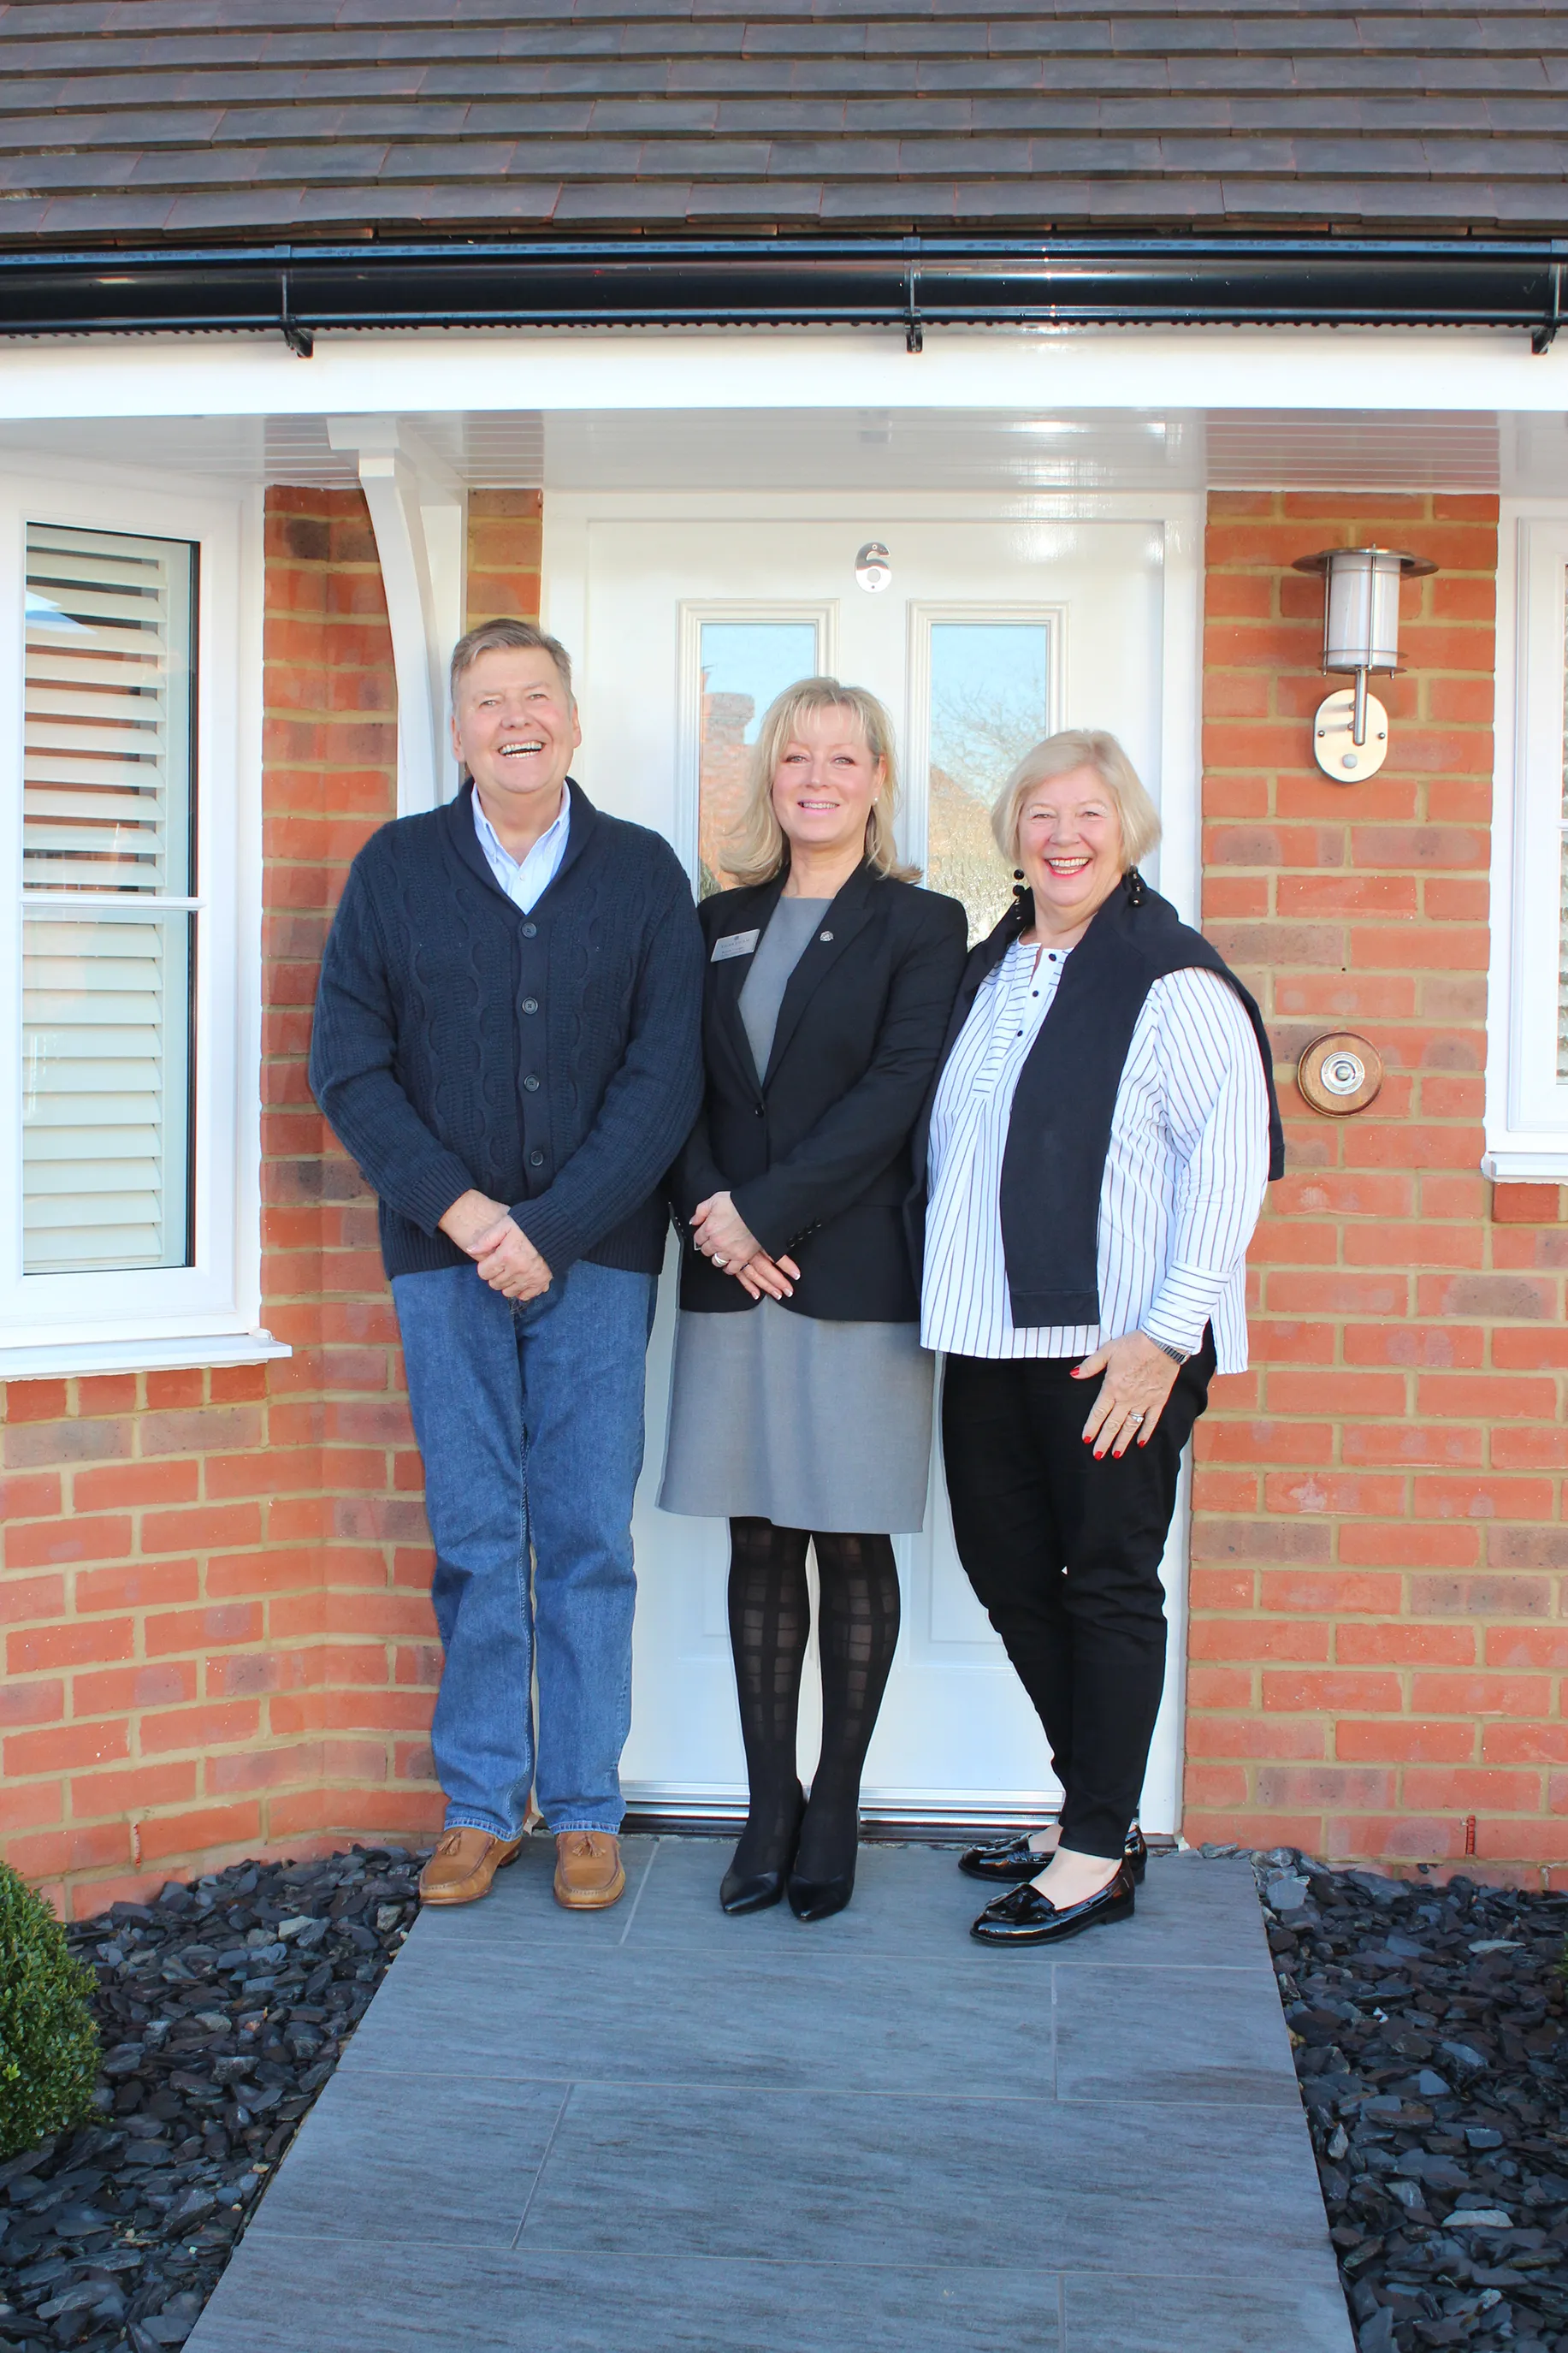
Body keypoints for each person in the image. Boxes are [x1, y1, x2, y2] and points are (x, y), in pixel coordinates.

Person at [310, 618, 703, 1913]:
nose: (516, 721)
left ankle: (585, 1805)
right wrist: (469, 1214)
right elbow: (348, 1066)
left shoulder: (644, 874)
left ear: (574, 720)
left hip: (599, 1267)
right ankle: (481, 1803)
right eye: (490, 702)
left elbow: (665, 1077)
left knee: (587, 1531)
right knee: (479, 1537)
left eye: (537, 697)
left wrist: (557, 1226)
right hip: (441, 1262)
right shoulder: (396, 868)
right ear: (462, 726)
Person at [914, 728, 1281, 1948]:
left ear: (1125, 829)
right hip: (987, 1333)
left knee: (1108, 1584)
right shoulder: (992, 966)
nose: (1063, 835)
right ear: (1013, 834)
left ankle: (1095, 1850)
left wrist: (1165, 1338)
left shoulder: (1172, 976)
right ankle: (1097, 1809)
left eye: (1088, 813)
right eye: (1040, 813)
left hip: (1115, 1348)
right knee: (1008, 1571)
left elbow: (1230, 1166)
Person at [661, 678, 967, 1923]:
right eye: (797, 755)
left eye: (844, 756)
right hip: (731, 1274)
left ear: (880, 777)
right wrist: (714, 1216)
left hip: (848, 1277)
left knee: (848, 1535)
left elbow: (895, 1093)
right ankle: (766, 1801)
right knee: (756, 1536)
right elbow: (669, 1085)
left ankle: (835, 1797)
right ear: (771, 779)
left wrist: (766, 1213)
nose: (818, 776)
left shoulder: (920, 921)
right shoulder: (714, 917)